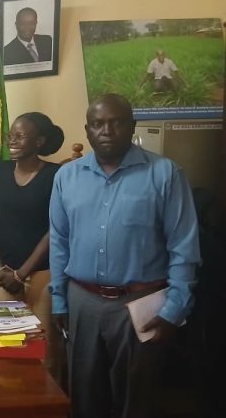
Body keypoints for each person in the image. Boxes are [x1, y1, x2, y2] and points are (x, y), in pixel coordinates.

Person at [49, 93, 200, 417]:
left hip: (140, 304)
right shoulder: (66, 177)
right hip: (83, 302)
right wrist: (59, 300)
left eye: (116, 122)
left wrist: (175, 308)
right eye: (97, 124)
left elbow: (184, 248)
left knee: (136, 399)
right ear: (87, 130)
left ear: (132, 126)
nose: (106, 131)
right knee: (84, 396)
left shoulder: (165, 174)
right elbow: (59, 242)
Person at [0, 112, 64, 380]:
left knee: (44, 351)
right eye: (11, 135)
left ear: (39, 141)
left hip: (41, 275)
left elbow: (54, 229)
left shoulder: (55, 175)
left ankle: (46, 399)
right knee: (10, 348)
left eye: (20, 136)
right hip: (4, 276)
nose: (12, 141)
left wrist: (21, 274)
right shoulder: (1, 171)